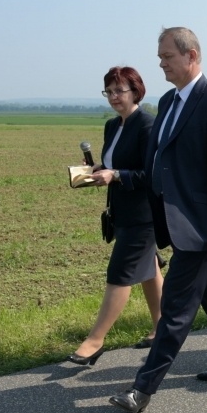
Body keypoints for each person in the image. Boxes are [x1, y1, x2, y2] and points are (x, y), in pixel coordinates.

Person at [109, 27, 207, 413]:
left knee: (175, 310)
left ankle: (141, 390)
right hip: (171, 222)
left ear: (191, 56)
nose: (161, 62)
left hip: (201, 228)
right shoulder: (168, 102)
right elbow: (156, 164)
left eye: (167, 56)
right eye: (160, 56)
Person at [66, 67, 163, 366]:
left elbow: (154, 174)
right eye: (109, 91)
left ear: (136, 92)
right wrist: (97, 171)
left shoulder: (148, 126)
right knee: (149, 272)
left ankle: (95, 341)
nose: (114, 97)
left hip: (144, 217)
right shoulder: (112, 126)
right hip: (121, 213)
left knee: (119, 274)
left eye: (120, 90)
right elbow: (113, 163)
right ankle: (162, 327)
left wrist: (117, 175)